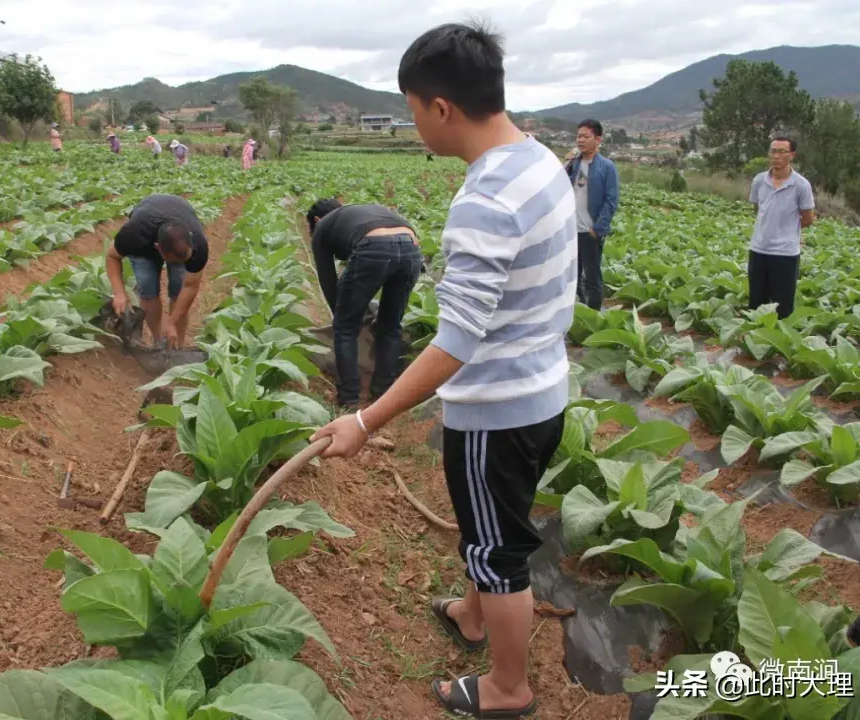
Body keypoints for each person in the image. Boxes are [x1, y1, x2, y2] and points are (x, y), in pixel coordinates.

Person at [311, 21, 576, 719]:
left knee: (499, 549)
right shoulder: (541, 162)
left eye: (409, 110)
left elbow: (455, 342)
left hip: (499, 408)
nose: (412, 125)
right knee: (491, 523)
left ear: (441, 109)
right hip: (544, 389)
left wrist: (366, 419)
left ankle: (507, 688)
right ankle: (470, 611)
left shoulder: (484, 200)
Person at [306, 198, 423, 409]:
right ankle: (383, 392)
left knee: (344, 328)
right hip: (412, 247)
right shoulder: (359, 214)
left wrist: (348, 318)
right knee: (390, 326)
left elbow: (329, 283)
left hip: (374, 246)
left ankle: (349, 398)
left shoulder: (322, 228)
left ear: (316, 220)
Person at [105, 194, 209, 349]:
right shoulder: (135, 233)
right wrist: (119, 293)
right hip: (145, 234)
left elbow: (190, 287)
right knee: (148, 289)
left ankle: (176, 348)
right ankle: (158, 342)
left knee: (178, 290)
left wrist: (172, 322)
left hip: (179, 211)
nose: (182, 263)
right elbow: (112, 256)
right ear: (158, 248)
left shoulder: (197, 247)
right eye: (174, 261)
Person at [748, 136, 815, 319]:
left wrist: (787, 228)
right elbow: (758, 209)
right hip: (759, 250)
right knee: (756, 304)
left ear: (791, 155)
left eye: (781, 152)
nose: (775, 156)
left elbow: (808, 219)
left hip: (785, 254)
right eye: (773, 151)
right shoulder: (759, 181)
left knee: (783, 307)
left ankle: (778, 345)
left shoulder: (801, 185)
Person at [563, 119, 619, 311]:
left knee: (592, 277)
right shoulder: (574, 164)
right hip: (571, 229)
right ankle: (577, 311)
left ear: (598, 139)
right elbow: (559, 185)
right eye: (578, 136)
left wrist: (598, 229)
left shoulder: (606, 167)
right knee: (572, 275)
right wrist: (567, 162)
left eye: (586, 137)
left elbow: (611, 201)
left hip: (590, 230)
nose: (580, 140)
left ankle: (594, 315)